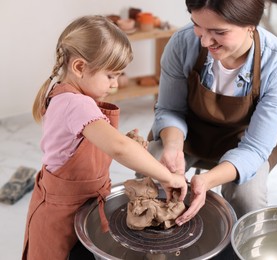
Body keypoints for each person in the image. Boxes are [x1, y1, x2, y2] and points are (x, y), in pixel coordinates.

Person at [22, 15, 187, 260]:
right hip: (61, 211)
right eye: (110, 76)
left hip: (82, 201)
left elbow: (91, 141)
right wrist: (168, 177)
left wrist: (129, 142)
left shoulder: (66, 93)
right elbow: (119, 149)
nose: (115, 84)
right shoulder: (76, 104)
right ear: (79, 67)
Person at [147, 0, 277, 226]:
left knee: (249, 199)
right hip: (187, 132)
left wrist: (206, 180)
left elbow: (256, 147)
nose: (205, 41)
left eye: (219, 32)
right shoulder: (183, 43)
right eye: (197, 25)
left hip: (243, 141)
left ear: (250, 26)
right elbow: (170, 109)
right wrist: (173, 148)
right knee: (151, 176)